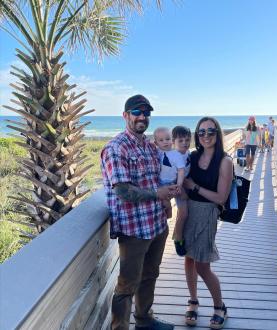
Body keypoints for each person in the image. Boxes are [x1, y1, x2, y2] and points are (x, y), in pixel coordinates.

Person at [101, 94, 177, 330]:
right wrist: (158, 194)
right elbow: (123, 190)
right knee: (126, 285)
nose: (142, 116)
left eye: (146, 113)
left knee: (150, 275)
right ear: (125, 116)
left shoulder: (149, 146)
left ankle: (144, 320)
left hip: (156, 224)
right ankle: (120, 327)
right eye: (136, 112)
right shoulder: (116, 148)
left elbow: (156, 179)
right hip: (134, 230)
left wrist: (167, 198)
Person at [183, 117, 233, 329]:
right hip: (188, 212)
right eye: (201, 132)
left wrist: (194, 187)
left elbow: (221, 198)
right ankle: (193, 301)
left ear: (217, 134)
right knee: (188, 259)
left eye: (210, 131)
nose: (205, 136)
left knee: (203, 265)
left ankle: (220, 306)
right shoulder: (193, 156)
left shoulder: (225, 161)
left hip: (207, 213)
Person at [153, 126, 191, 256]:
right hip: (164, 186)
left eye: (187, 140)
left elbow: (183, 171)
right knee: (167, 210)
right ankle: (170, 232)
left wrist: (180, 186)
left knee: (184, 212)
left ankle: (178, 238)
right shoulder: (161, 152)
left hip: (178, 186)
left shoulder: (185, 154)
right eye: (180, 141)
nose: (185, 143)